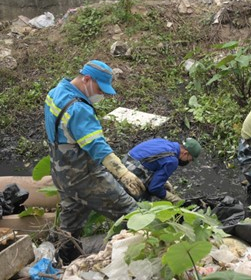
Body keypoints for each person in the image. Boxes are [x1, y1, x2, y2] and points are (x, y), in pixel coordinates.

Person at [44, 60, 145, 264]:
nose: (102, 95)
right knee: (132, 212)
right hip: (84, 176)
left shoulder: (56, 92)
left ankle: (60, 263)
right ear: (86, 79)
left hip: (61, 173)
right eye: (100, 89)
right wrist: (123, 174)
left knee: (71, 222)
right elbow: (98, 147)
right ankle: (142, 256)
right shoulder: (79, 109)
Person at [123, 137, 202, 203]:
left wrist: (165, 183)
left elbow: (152, 161)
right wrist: (173, 199)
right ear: (185, 153)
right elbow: (154, 188)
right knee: (144, 205)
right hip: (130, 176)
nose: (188, 162)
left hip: (122, 165)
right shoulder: (172, 161)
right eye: (190, 159)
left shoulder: (163, 141)